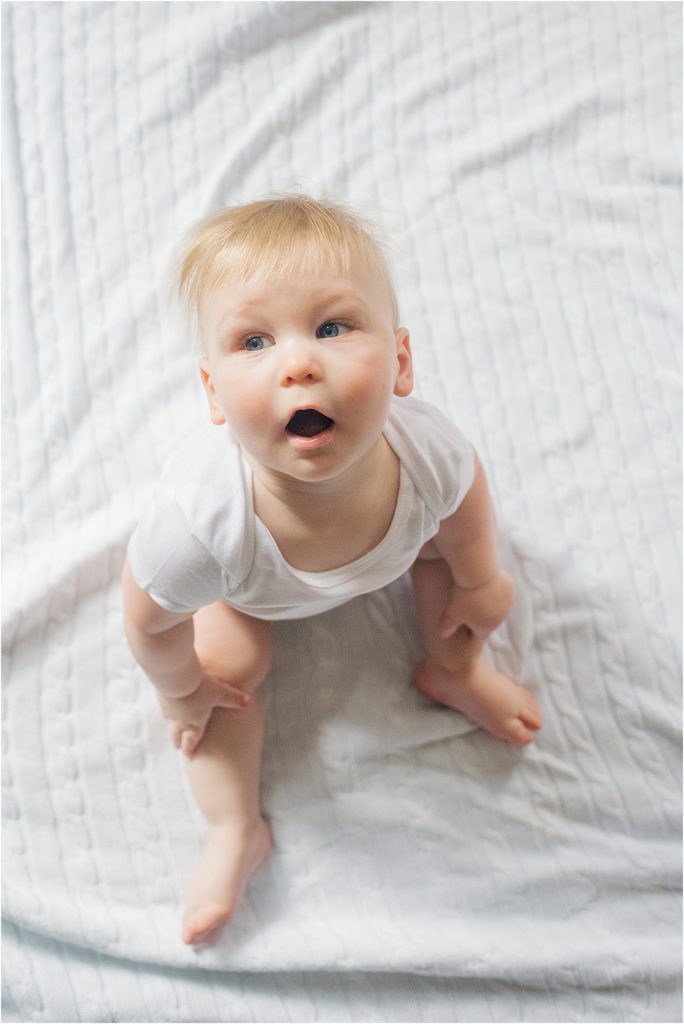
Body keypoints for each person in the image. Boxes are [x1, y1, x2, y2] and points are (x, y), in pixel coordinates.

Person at [121, 195, 542, 946]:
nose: (299, 363)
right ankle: (234, 829)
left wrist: (481, 577)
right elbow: (148, 619)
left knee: (456, 577)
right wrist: (180, 686)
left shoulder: (425, 452)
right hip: (247, 596)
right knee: (225, 671)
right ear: (213, 393)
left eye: (332, 327)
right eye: (253, 341)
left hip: (397, 553)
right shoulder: (202, 523)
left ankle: (453, 670)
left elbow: (464, 500)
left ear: (401, 363)